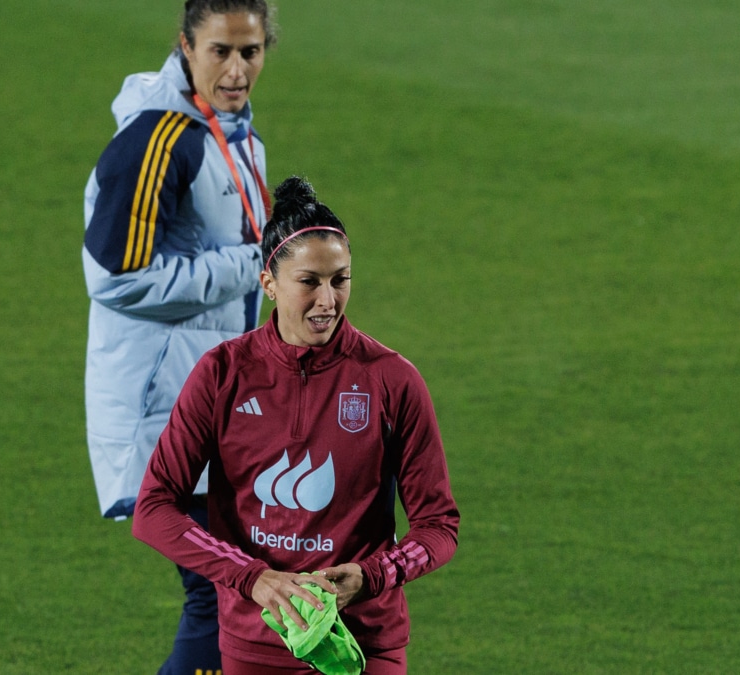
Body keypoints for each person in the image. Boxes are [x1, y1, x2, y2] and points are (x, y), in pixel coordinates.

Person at [133, 176, 460, 674]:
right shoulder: (222, 375)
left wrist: (372, 576)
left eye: (340, 279)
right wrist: (253, 578)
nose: (328, 300)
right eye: (309, 282)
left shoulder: (392, 380)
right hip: (258, 641)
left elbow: (439, 526)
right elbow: (154, 508)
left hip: (365, 640)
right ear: (269, 284)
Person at [82, 1, 279, 672]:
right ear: (186, 47)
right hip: (159, 408)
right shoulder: (159, 139)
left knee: (234, 589)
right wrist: (255, 262)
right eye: (220, 50)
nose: (236, 68)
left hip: (209, 402)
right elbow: (117, 274)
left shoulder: (234, 134)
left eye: (249, 52)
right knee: (225, 588)